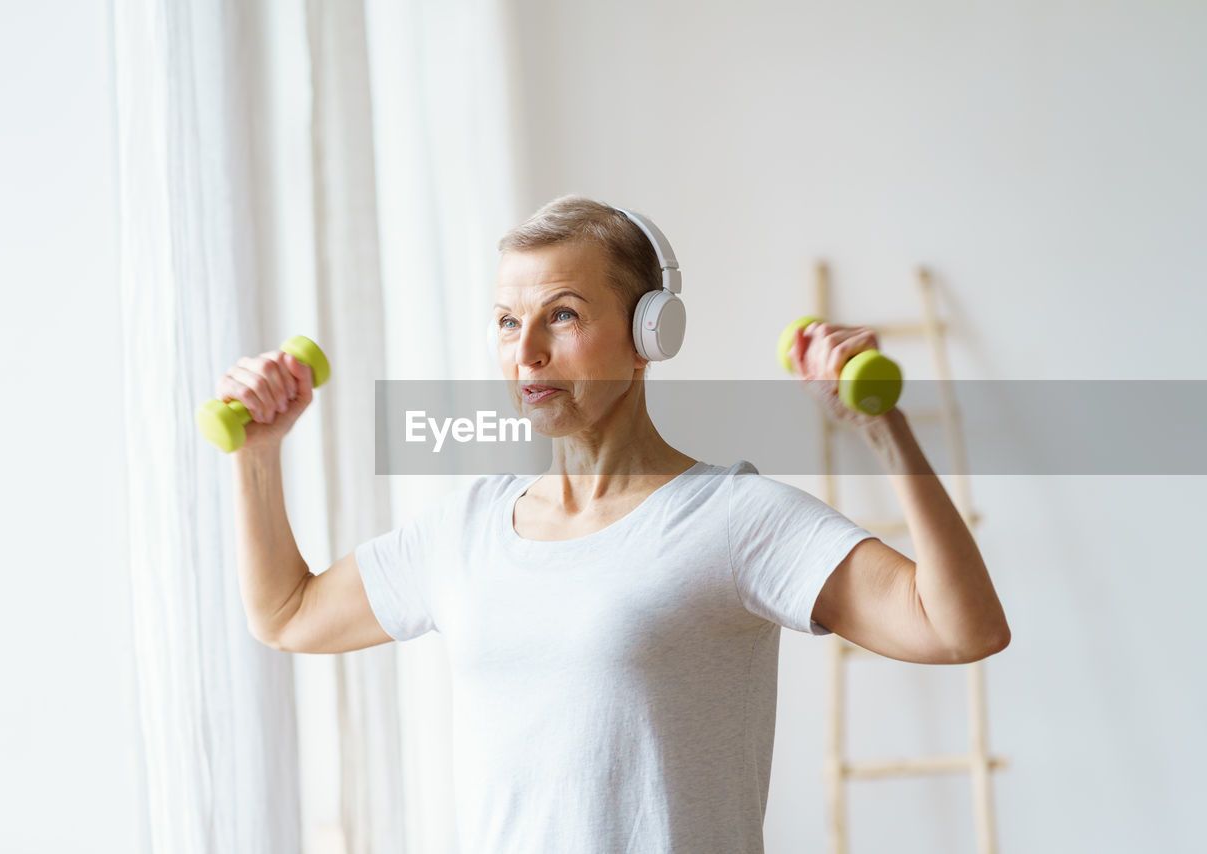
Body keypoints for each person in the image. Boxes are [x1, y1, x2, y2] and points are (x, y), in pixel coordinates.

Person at [219, 195, 1011, 853]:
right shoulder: (462, 530)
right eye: (504, 321)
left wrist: (883, 430)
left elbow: (958, 629)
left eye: (560, 315)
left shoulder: (732, 518)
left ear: (649, 335)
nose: (525, 351)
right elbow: (287, 613)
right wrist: (257, 456)